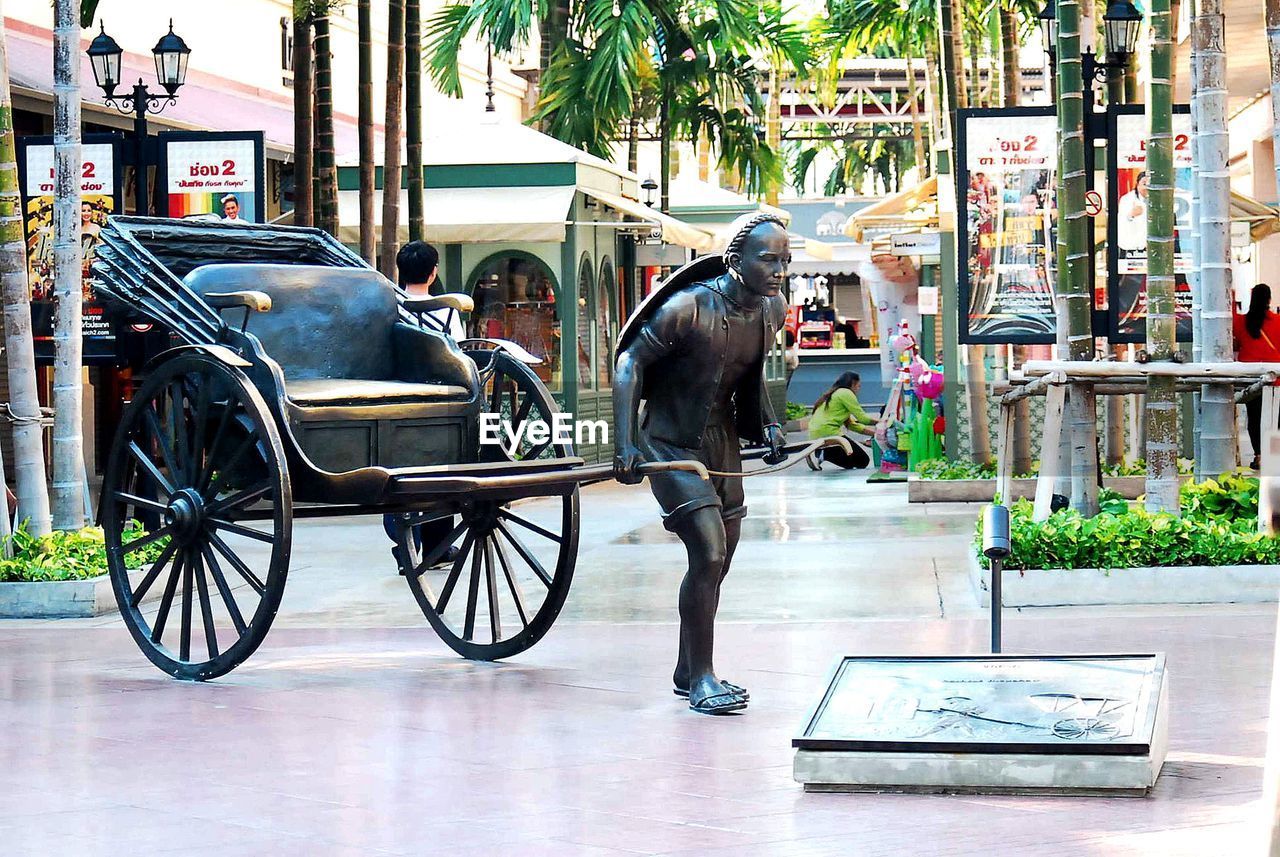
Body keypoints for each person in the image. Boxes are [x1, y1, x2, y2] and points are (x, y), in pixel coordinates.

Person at [614, 213, 789, 716]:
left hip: (722, 440)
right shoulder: (688, 307)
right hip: (668, 442)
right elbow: (630, 363)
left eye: (784, 260)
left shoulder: (770, 311)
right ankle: (703, 679)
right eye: (768, 259)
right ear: (735, 261)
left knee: (722, 557)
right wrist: (624, 442)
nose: (779, 270)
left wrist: (770, 426)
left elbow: (748, 376)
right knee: (709, 553)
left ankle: (688, 667)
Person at [384, 241, 461, 570]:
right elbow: (460, 354)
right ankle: (437, 545)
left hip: (397, 399)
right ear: (433, 273)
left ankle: (406, 544)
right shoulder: (447, 310)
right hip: (440, 402)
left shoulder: (390, 307)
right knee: (440, 474)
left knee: (400, 473)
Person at [1233, 283, 1280, 469]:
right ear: (1269, 299)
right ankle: (1273, 457)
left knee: (1254, 418)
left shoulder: (1240, 322)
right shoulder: (1278, 321)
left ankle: (1259, 455)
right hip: (1276, 378)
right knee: (1276, 420)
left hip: (1251, 378)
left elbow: (1235, 344)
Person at [806, 372, 873, 470]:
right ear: (853, 383)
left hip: (815, 434)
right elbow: (863, 419)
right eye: (858, 386)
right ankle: (823, 453)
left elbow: (852, 425)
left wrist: (876, 433)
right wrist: (883, 422)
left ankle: (823, 452)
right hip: (829, 433)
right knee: (863, 461)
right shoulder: (846, 392)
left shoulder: (833, 394)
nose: (859, 390)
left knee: (854, 463)